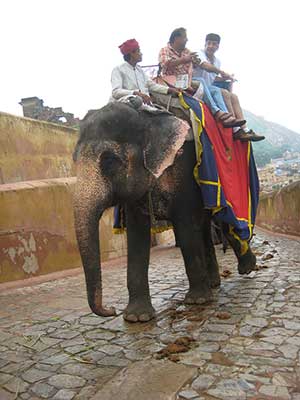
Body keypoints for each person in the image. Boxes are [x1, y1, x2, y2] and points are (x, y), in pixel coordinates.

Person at [158, 28, 245, 129]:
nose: (187, 40)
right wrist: (184, 60)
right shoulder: (165, 50)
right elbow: (165, 64)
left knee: (218, 91)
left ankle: (230, 120)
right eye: (184, 37)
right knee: (202, 81)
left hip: (188, 81)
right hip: (172, 81)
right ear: (177, 38)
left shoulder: (188, 52)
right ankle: (216, 111)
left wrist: (224, 77)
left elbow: (200, 65)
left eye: (214, 44)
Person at [193, 33, 265, 142]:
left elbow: (212, 77)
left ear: (218, 46)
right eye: (208, 43)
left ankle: (245, 129)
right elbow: (205, 66)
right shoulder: (199, 53)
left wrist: (225, 78)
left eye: (214, 44)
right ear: (205, 44)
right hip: (197, 85)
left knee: (234, 96)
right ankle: (235, 127)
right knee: (224, 93)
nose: (211, 46)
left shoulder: (217, 61)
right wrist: (221, 72)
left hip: (209, 87)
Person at [111, 38, 178, 109]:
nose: (141, 54)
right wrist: (136, 93)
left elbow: (152, 86)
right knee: (137, 101)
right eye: (138, 51)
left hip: (144, 106)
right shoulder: (118, 69)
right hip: (127, 106)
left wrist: (169, 90)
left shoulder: (140, 70)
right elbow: (116, 92)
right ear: (132, 53)